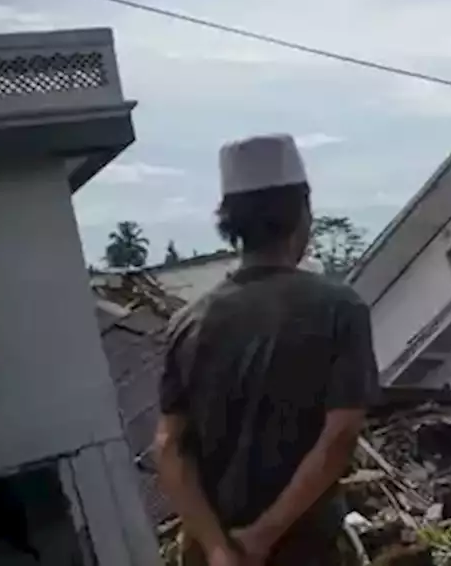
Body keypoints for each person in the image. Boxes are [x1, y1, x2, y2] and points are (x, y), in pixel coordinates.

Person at [153, 134, 379, 566]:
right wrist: (262, 536)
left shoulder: (187, 323)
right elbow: (341, 435)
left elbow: (169, 446)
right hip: (304, 551)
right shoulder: (339, 309)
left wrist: (219, 548)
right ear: (303, 214)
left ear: (231, 224)